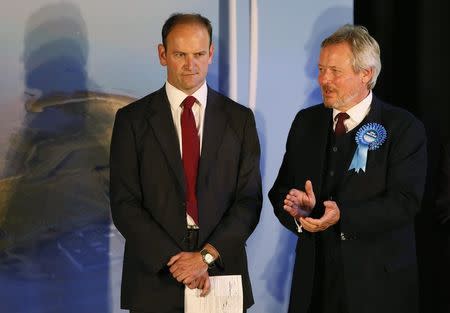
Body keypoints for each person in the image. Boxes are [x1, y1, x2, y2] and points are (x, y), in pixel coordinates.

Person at [110, 13, 262, 313]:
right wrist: (178, 262)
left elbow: (248, 201)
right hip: (156, 276)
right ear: (162, 54)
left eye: (198, 54)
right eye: (180, 54)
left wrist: (204, 258)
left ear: (211, 55)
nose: (190, 64)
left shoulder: (240, 120)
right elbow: (124, 203)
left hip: (220, 270)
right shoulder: (131, 120)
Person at [269, 25, 427, 313]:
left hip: (377, 288)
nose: (323, 80)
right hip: (313, 287)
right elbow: (281, 190)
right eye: (320, 69)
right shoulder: (306, 123)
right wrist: (298, 214)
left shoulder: (403, 128)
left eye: (334, 71)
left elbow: (405, 202)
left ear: (366, 74)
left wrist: (343, 216)